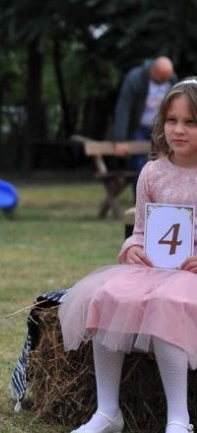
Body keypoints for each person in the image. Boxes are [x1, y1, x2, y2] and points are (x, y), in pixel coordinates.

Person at [58, 78, 197, 433]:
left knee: (167, 302)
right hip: (155, 268)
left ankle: (179, 419)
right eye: (171, 120)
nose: (179, 130)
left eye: (191, 122)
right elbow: (139, 231)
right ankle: (107, 412)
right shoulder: (152, 172)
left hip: (191, 276)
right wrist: (133, 249)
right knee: (108, 294)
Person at [113, 56, 177, 197]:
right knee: (140, 163)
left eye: (167, 78)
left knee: (167, 162)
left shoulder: (172, 80)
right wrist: (120, 139)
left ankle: (163, 197)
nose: (164, 82)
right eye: (161, 79)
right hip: (139, 127)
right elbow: (123, 108)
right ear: (153, 71)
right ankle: (140, 198)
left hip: (161, 128)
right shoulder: (135, 79)